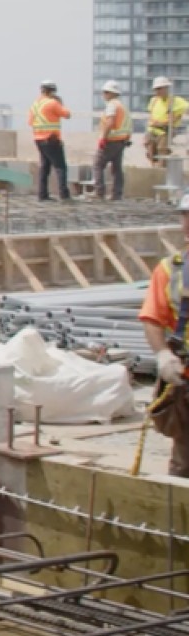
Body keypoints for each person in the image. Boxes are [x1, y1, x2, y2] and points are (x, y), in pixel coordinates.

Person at [137, 194, 189, 476]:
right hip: (186, 385)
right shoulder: (172, 270)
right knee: (184, 469)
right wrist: (163, 354)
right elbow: (152, 318)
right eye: (186, 217)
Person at [30, 80, 72, 202]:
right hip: (51, 139)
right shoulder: (53, 103)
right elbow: (67, 114)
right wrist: (60, 103)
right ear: (52, 91)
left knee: (44, 167)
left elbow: (30, 122)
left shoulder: (35, 105)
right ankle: (64, 194)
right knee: (60, 167)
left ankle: (42, 194)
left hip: (38, 139)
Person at [96, 80, 131, 201]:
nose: (104, 95)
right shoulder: (123, 107)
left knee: (98, 165)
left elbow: (110, 122)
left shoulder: (112, 105)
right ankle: (117, 194)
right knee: (117, 169)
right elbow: (128, 125)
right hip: (121, 142)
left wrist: (103, 138)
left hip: (111, 141)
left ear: (112, 93)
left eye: (105, 92)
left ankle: (100, 193)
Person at [147, 77, 189, 166]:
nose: (157, 91)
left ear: (166, 88)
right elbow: (151, 115)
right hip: (152, 130)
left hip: (165, 131)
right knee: (150, 152)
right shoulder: (153, 100)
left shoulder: (175, 100)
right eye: (156, 89)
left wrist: (177, 117)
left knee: (162, 151)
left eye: (159, 89)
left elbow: (187, 108)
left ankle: (162, 171)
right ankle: (155, 168)